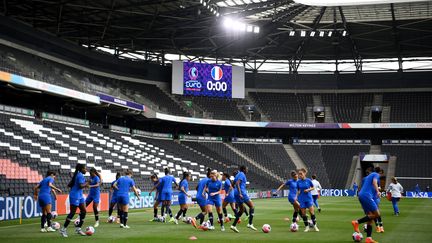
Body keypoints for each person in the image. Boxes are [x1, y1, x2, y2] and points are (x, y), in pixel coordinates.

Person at [351, 167, 381, 243]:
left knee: (370, 218)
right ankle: (356, 222)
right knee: (377, 214)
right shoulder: (375, 174)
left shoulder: (366, 179)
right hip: (366, 196)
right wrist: (378, 191)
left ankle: (368, 238)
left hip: (363, 196)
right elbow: (374, 182)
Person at [60, 163, 89, 237]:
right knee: (72, 212)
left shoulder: (78, 175)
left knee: (84, 211)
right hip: (75, 196)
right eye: (85, 168)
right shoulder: (79, 175)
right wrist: (88, 183)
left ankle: (78, 228)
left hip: (80, 195)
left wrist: (86, 184)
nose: (86, 170)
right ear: (81, 169)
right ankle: (63, 229)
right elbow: (80, 186)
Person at [230, 165, 257, 233]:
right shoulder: (242, 174)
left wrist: (237, 191)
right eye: (247, 169)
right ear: (244, 169)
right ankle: (250, 223)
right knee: (252, 206)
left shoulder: (237, 174)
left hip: (236, 193)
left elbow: (233, 184)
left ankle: (233, 225)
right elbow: (237, 183)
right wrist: (240, 193)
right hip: (241, 193)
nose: (247, 170)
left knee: (241, 210)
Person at [297, 168, 319, 232]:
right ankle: (307, 227)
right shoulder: (298, 182)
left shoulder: (308, 180)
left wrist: (308, 190)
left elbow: (313, 187)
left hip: (308, 198)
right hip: (301, 199)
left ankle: (315, 226)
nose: (300, 175)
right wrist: (297, 195)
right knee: (303, 214)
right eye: (299, 174)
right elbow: (298, 190)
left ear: (304, 173)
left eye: (301, 174)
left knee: (312, 212)